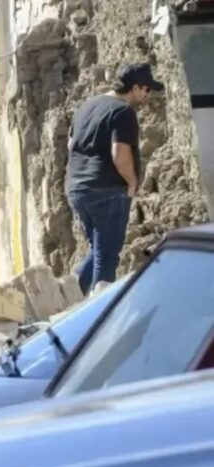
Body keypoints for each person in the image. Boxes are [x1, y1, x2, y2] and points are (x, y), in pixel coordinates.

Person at [66, 63, 163, 295]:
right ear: (135, 88)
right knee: (108, 256)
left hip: (77, 189)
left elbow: (71, 145)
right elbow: (119, 153)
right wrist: (132, 182)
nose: (148, 95)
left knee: (99, 250)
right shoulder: (123, 111)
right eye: (146, 89)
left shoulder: (88, 106)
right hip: (107, 190)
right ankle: (101, 306)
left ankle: (69, 291)